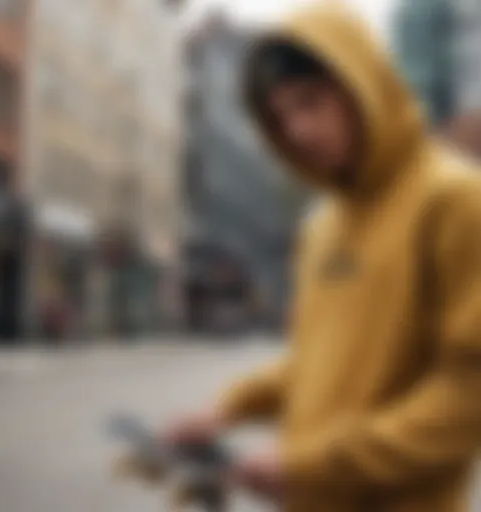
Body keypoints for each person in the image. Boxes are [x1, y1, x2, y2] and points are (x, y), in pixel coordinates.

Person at [133, 3, 481, 511]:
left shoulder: (454, 200)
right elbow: (321, 361)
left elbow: (467, 394)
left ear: (363, 84)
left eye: (311, 101)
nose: (297, 130)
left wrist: (317, 462)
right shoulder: (322, 226)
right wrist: (227, 411)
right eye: (281, 116)